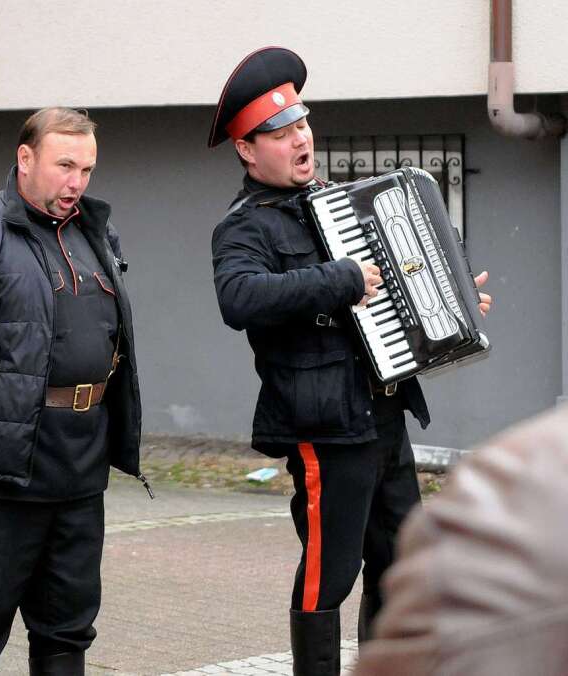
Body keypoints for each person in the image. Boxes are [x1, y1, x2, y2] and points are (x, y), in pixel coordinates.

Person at [207, 47, 492, 676]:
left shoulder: (338, 203)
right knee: (328, 575)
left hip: (384, 415)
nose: (299, 137)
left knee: (401, 568)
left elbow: (389, 281)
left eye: (302, 124)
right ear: (247, 150)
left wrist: (453, 298)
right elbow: (240, 298)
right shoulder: (243, 228)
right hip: (325, 427)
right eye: (280, 133)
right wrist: (337, 278)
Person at [0, 107, 145, 676]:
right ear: (25, 159)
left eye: (87, 169)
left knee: (67, 634)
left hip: (80, 468)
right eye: (64, 165)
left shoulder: (98, 231)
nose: (77, 182)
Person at [354, 403, 568, 676]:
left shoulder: (518, 470)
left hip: (386, 419)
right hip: (337, 425)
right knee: (334, 572)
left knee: (389, 557)